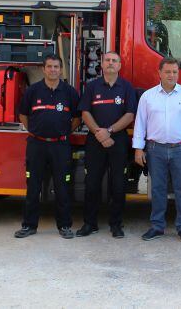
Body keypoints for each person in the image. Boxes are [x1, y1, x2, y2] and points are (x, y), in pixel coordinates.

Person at [133, 57, 181, 243]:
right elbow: (140, 123)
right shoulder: (148, 96)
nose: (171, 75)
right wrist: (138, 148)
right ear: (159, 73)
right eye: (168, 72)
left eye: (175, 72)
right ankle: (157, 226)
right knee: (157, 189)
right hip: (155, 149)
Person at [14, 54, 80, 239]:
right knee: (33, 187)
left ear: (61, 70)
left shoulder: (69, 92)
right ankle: (29, 226)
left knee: (62, 187)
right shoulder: (33, 91)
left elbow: (77, 118)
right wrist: (35, 131)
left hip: (60, 146)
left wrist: (64, 132)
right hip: (37, 145)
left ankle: (64, 226)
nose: (53, 70)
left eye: (56, 67)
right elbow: (23, 115)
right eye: (49, 66)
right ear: (43, 69)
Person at [76, 51, 137, 239]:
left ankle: (116, 224)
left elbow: (130, 115)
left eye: (114, 61)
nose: (111, 63)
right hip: (95, 141)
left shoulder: (127, 87)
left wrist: (109, 131)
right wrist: (100, 134)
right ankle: (90, 223)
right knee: (92, 184)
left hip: (118, 141)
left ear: (120, 65)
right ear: (101, 64)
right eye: (107, 60)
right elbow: (85, 112)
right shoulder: (92, 86)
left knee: (118, 185)